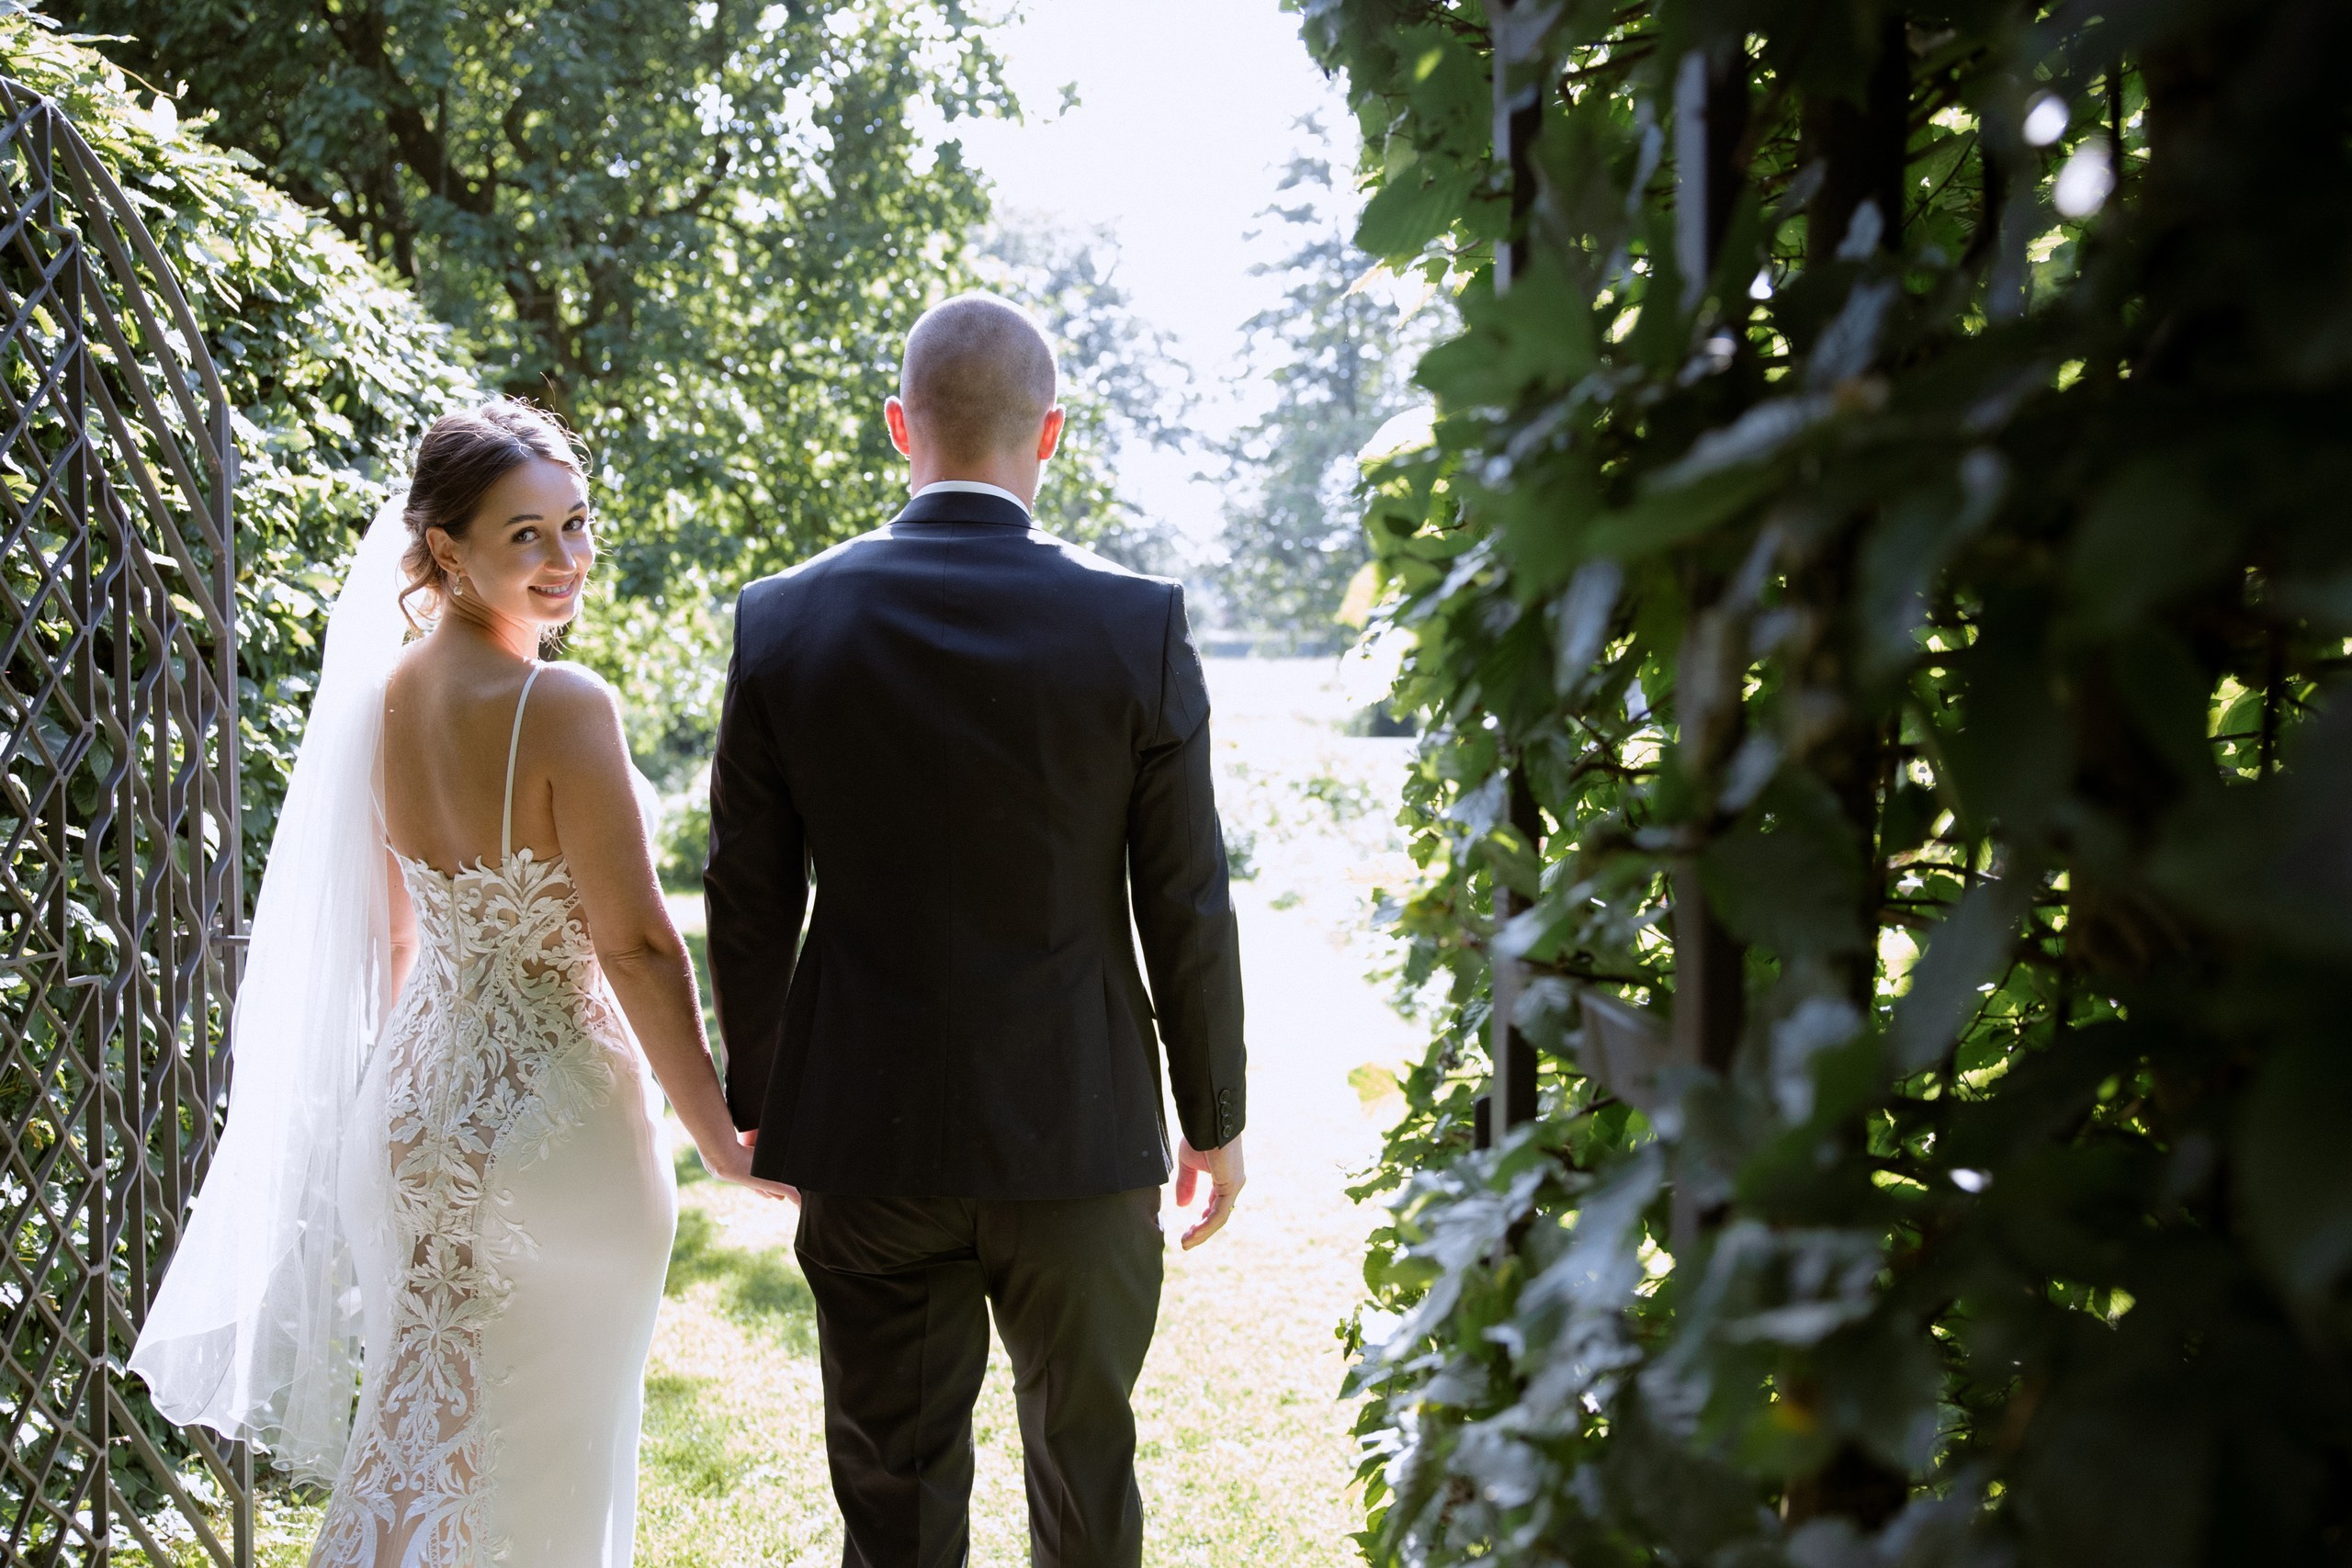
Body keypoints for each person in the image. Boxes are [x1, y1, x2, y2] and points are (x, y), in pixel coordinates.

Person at [130, 400, 791, 1567]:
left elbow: (395, 942)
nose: (565, 557)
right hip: (555, 1129)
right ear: (446, 548)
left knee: (418, 1438)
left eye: (576, 524)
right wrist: (721, 1141)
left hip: (412, 1115)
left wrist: (428, 1103)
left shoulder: (381, 700)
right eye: (526, 534)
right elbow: (638, 946)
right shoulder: (563, 706)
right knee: (539, 1465)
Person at [706, 291, 1250, 1568]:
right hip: (1079, 1129)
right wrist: (1213, 1117)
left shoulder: (783, 619)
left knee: (892, 1499)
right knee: (1086, 1474)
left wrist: (763, 1098)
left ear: (902, 425)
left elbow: (746, 889)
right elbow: (1186, 897)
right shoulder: (1136, 622)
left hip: (866, 1134)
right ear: (1048, 432)